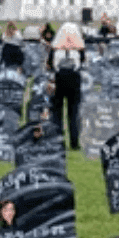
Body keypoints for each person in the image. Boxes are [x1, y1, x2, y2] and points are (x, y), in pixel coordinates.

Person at [48, 22, 84, 151]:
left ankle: (58, 141)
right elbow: (82, 63)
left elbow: (49, 65)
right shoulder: (79, 50)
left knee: (57, 113)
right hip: (74, 79)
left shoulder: (55, 49)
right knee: (73, 113)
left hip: (59, 79)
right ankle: (74, 143)